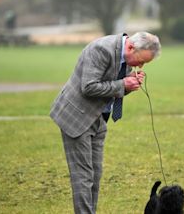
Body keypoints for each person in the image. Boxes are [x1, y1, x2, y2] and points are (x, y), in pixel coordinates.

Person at [50, 32, 161, 214]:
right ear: (131, 47)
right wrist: (122, 85)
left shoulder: (126, 57)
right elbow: (89, 87)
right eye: (141, 60)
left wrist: (129, 87)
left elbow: (113, 89)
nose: (140, 66)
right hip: (77, 117)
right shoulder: (101, 49)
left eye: (144, 64)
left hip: (100, 118)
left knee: (95, 174)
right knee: (83, 177)